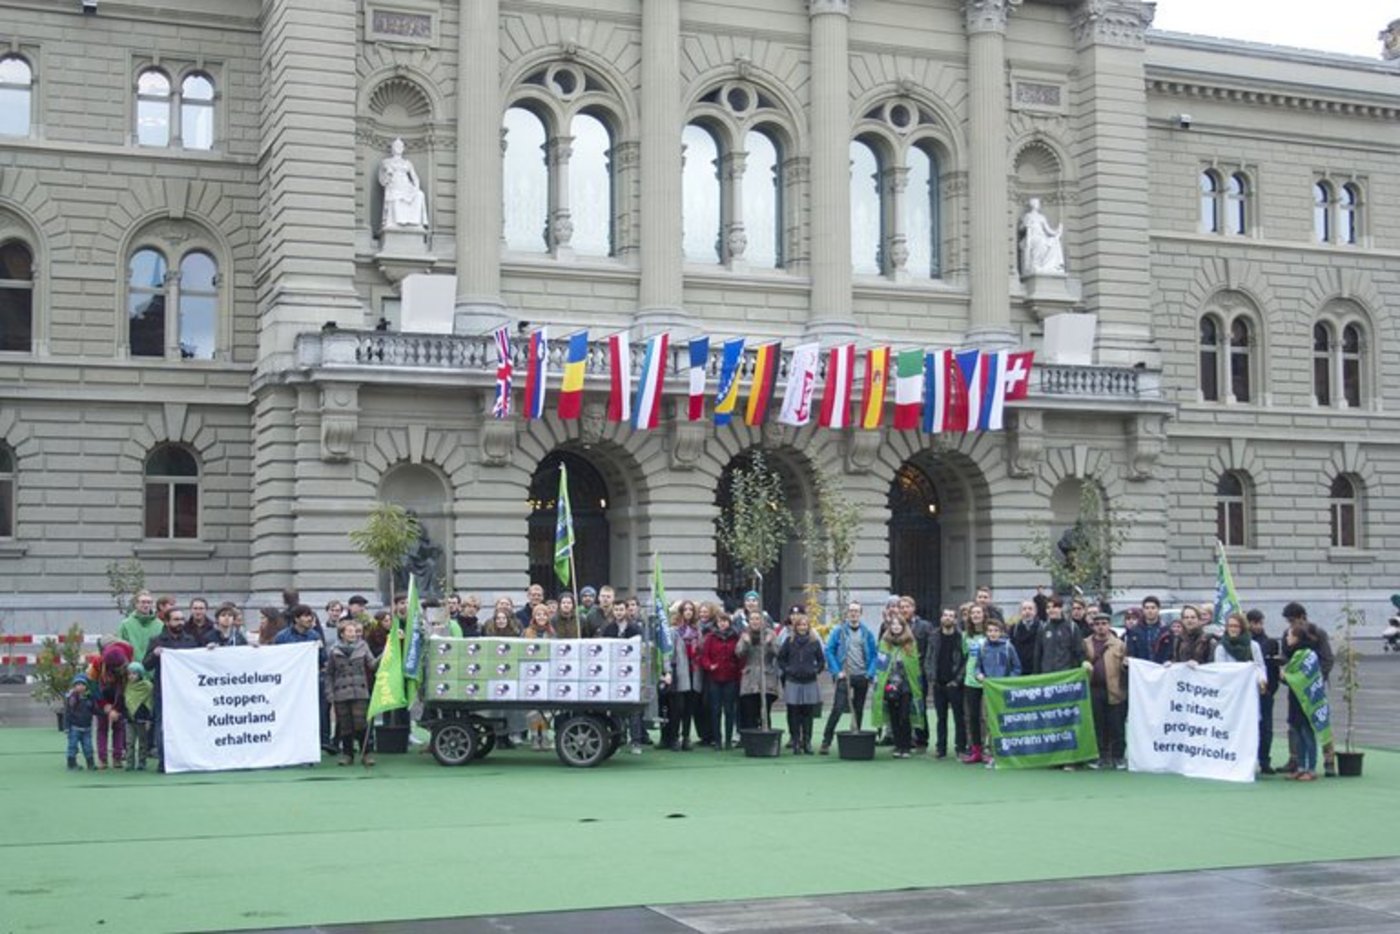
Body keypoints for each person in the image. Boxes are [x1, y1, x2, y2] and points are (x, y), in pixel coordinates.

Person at [142, 606, 201, 770]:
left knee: (187, 724)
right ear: (167, 622)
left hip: (186, 691)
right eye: (176, 619)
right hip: (163, 691)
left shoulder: (190, 641)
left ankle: (186, 758)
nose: (180, 622)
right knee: (162, 725)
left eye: (182, 619)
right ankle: (164, 760)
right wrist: (154, 654)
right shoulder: (157, 641)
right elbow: (146, 665)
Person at [1283, 601, 1335, 775]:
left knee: (1319, 722)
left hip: (1314, 686)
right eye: (1289, 621)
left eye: (1293, 620)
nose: (1291, 624)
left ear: (1302, 617)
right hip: (1296, 686)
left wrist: (1316, 678)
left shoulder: (1318, 633)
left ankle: (1328, 761)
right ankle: (1295, 760)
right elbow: (1286, 657)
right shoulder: (1288, 634)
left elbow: (1327, 659)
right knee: (1294, 725)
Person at [819, 601, 878, 754]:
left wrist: (870, 673)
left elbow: (874, 655)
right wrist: (836, 671)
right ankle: (826, 741)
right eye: (851, 610)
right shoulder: (839, 631)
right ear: (847, 613)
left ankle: (855, 735)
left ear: (861, 614)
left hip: (861, 676)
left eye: (856, 611)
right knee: (838, 708)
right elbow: (829, 650)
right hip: (844, 676)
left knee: (858, 708)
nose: (853, 613)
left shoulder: (867, 633)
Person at [325, 618, 377, 767]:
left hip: (359, 691)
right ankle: (347, 754)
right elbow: (329, 673)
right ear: (342, 634)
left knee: (361, 723)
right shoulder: (334, 650)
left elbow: (372, 665)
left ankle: (366, 753)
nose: (353, 634)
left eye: (354, 631)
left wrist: (385, 654)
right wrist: (329, 693)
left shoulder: (363, 646)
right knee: (345, 725)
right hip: (341, 693)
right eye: (349, 631)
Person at [974, 617, 1022, 768]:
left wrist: (1008, 681)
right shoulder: (983, 647)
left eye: (996, 631)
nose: (993, 633)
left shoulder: (1008, 647)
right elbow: (977, 667)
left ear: (1001, 632)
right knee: (987, 720)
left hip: (1003, 691)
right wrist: (978, 675)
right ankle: (990, 751)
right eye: (990, 631)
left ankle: (1007, 751)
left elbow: (1017, 667)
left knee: (1004, 720)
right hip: (988, 690)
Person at [777, 608, 825, 754]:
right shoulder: (789, 641)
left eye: (805, 625)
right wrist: (788, 670)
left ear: (808, 626)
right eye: (800, 625)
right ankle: (796, 741)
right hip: (793, 681)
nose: (802, 628)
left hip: (810, 681)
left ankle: (807, 742)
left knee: (808, 713)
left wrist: (815, 670)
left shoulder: (814, 642)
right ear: (795, 627)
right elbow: (781, 658)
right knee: (794, 712)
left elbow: (821, 660)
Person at [1083, 611, 1127, 770]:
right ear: (1093, 626)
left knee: (1116, 725)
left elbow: (1125, 665)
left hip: (1115, 689)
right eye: (1097, 624)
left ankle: (1118, 756)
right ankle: (1100, 756)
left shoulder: (1119, 644)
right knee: (1097, 724)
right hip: (1094, 689)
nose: (1101, 627)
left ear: (1109, 625)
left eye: (1104, 624)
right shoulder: (1086, 643)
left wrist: (1126, 666)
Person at [873, 615, 921, 759]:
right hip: (889, 685)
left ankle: (906, 746)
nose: (896, 627)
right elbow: (881, 665)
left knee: (904, 715)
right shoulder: (884, 643)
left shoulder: (910, 643)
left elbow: (914, 665)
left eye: (899, 624)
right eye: (893, 624)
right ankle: (898, 745)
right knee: (893, 716)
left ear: (903, 627)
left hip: (906, 685)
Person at [924, 607, 967, 760]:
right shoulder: (933, 636)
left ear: (955, 620)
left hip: (955, 684)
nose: (948, 618)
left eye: (951, 616)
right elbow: (928, 658)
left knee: (959, 718)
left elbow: (965, 661)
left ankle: (960, 748)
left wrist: (957, 680)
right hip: (938, 684)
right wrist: (931, 677)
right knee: (940, 718)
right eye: (945, 615)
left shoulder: (961, 637)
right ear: (941, 618)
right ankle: (940, 748)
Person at [1282, 619, 1322, 781]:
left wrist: (1286, 676)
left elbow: (1303, 677)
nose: (1287, 638)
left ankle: (1311, 768)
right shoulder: (1294, 653)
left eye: (1289, 635)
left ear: (1296, 638)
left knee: (1307, 733)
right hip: (1295, 697)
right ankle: (1300, 767)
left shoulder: (1307, 654)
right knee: (1297, 733)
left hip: (1307, 699)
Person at [700, 611, 742, 750]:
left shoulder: (736, 637)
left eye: (725, 621)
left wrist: (738, 670)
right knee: (715, 710)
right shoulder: (711, 638)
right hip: (715, 677)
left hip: (731, 677)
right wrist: (709, 666)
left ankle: (728, 740)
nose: (722, 624)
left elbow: (740, 657)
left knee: (729, 710)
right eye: (720, 621)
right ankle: (717, 740)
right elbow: (704, 656)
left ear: (729, 622)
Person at [88, 642, 133, 769]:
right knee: (102, 728)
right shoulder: (97, 663)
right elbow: (92, 686)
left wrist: (117, 709)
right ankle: (102, 759)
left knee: (119, 727)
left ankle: (117, 758)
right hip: (101, 697)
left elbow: (125, 689)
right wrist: (104, 705)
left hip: (118, 698)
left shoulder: (128, 665)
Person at [1247, 609, 1281, 774]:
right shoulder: (1243, 643)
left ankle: (1264, 760)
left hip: (1264, 691)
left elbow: (1272, 668)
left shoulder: (1270, 643)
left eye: (1260, 623)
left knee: (1265, 727)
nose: (1258, 626)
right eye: (1254, 623)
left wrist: (1270, 689)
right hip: (1245, 692)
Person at [667, 601, 704, 750]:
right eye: (685, 609)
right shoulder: (674, 631)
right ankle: (674, 737)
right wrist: (668, 670)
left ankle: (686, 737)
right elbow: (669, 653)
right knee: (677, 708)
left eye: (691, 610)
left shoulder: (697, 631)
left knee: (689, 708)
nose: (688, 612)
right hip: (679, 672)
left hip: (694, 671)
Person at [736, 610, 779, 732]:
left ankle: (766, 736)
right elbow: (739, 653)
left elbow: (778, 653)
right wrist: (746, 643)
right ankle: (751, 737)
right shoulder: (745, 634)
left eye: (757, 619)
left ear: (763, 621)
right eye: (752, 619)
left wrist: (769, 644)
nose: (755, 621)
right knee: (749, 712)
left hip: (767, 677)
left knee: (765, 712)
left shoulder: (770, 634)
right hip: (750, 678)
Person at [960, 604, 989, 764]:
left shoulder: (990, 633)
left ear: (984, 615)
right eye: (973, 613)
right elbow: (965, 656)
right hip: (970, 680)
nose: (976, 615)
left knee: (984, 717)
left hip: (987, 681)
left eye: (979, 612)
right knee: (971, 716)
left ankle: (986, 749)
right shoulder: (966, 636)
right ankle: (974, 749)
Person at [379, 137, 429, 228]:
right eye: (396, 146)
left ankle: (414, 223)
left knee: (419, 194)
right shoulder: (386, 162)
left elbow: (415, 177)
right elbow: (382, 179)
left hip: (407, 186)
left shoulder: (407, 163)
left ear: (403, 148)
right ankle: (397, 222)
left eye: (401, 146)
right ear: (392, 148)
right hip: (394, 186)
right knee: (396, 197)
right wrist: (388, 176)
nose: (399, 148)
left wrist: (416, 188)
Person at [1035, 596, 1084, 674]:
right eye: (1048, 607)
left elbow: (1079, 652)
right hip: (1047, 675)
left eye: (1054, 607)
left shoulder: (1072, 627)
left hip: (1066, 675)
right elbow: (1038, 654)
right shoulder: (1043, 628)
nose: (1051, 610)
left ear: (1061, 608)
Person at [1018, 197, 1065, 276]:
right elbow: (1021, 228)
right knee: (1040, 241)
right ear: (1033, 205)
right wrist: (1026, 225)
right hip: (1032, 237)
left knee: (1054, 241)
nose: (1038, 205)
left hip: (1041, 236)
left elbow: (1048, 230)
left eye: (1038, 203)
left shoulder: (1041, 217)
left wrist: (1057, 231)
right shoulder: (1028, 216)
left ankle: (1049, 266)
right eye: (1037, 203)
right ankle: (1035, 264)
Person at [123, 662, 155, 771]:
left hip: (142, 719)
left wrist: (149, 720)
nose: (131, 676)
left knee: (143, 742)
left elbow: (150, 703)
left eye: (134, 673)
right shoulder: (127, 686)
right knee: (129, 742)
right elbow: (126, 702)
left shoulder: (147, 686)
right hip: (129, 719)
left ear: (140, 674)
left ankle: (142, 762)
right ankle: (129, 763)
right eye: (129, 674)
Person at [115, 591, 162, 666]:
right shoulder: (125, 625)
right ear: (136, 604)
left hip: (154, 669)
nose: (146, 605)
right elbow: (120, 648)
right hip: (132, 669)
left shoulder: (160, 625)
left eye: (149, 602)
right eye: (143, 602)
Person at [64, 674, 97, 771]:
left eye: (83, 684)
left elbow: (94, 709)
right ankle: (71, 763)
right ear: (74, 686)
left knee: (88, 746)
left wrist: (103, 712)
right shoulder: (72, 699)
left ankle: (90, 763)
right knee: (72, 746)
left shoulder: (89, 698)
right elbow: (67, 713)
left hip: (87, 728)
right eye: (78, 684)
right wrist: (66, 727)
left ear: (86, 686)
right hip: (74, 728)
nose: (80, 686)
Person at [1125, 596, 1164, 663]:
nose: (1150, 611)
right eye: (1147, 608)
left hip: (1161, 667)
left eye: (1153, 608)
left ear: (1158, 609)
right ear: (1143, 610)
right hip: (1141, 667)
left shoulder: (1166, 631)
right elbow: (1131, 653)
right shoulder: (1134, 631)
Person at [1008, 598, 1039, 677]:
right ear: (1020, 612)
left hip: (1037, 670)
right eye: (1024, 609)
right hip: (1019, 670)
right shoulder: (1014, 629)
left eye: (1030, 609)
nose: (1027, 611)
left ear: (1035, 612)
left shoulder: (1042, 627)